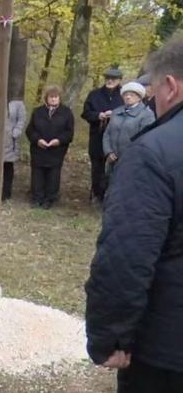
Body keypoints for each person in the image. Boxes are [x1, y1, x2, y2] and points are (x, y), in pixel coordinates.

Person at [85, 37, 183, 393]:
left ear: (169, 86)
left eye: (153, 90)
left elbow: (127, 254)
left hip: (167, 353)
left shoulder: (154, 152)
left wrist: (110, 336)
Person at [25, 86, 74, 209]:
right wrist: (38, 140)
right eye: (51, 97)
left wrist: (58, 140)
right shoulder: (38, 112)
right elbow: (30, 130)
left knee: (53, 174)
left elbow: (69, 132)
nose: (53, 99)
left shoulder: (66, 112)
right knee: (37, 174)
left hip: (56, 150)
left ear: (59, 98)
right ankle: (37, 198)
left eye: (55, 97)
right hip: (38, 149)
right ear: (46, 98)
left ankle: (50, 199)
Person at [82, 67, 124, 204]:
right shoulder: (94, 94)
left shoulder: (125, 95)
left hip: (118, 137)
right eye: (107, 78)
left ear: (119, 80)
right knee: (97, 167)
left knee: (117, 167)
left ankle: (113, 196)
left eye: (113, 79)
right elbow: (86, 113)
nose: (110, 81)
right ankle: (97, 195)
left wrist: (115, 115)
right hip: (97, 136)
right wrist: (98, 115)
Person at [102, 81, 155, 172]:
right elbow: (107, 134)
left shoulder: (146, 115)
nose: (128, 97)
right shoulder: (116, 112)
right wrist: (108, 152)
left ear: (139, 97)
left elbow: (145, 140)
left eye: (132, 94)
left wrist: (131, 157)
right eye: (125, 94)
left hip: (132, 162)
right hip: (112, 161)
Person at [0, 97, 27, 200]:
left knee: (7, 165)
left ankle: (6, 192)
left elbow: (22, 119)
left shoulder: (18, 103)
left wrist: (16, 131)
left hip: (10, 138)